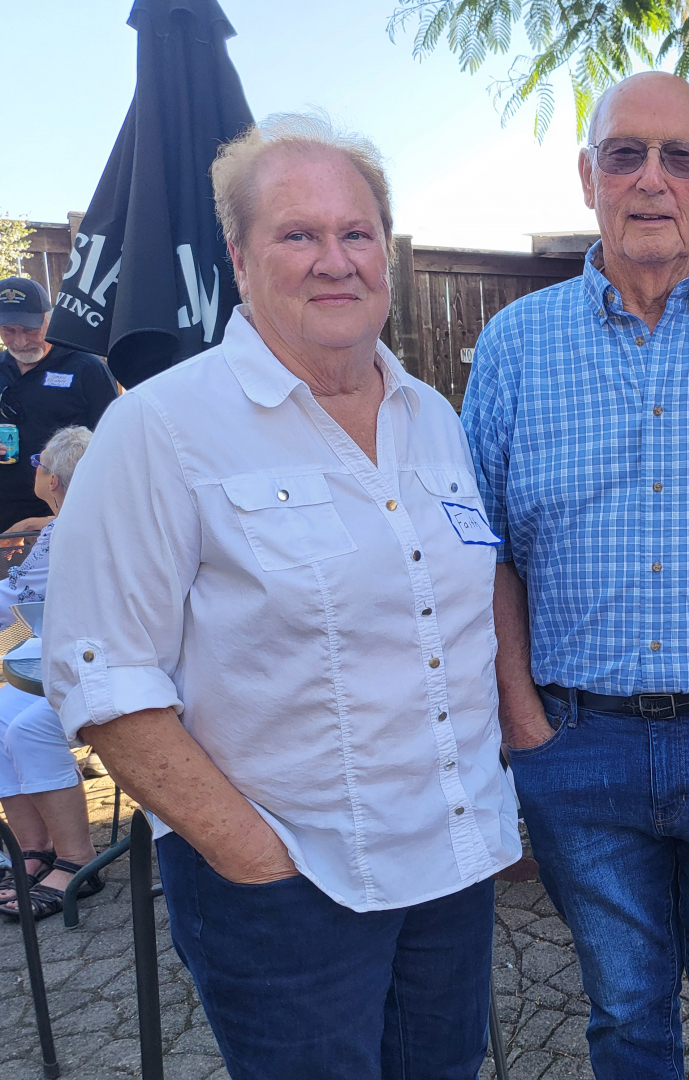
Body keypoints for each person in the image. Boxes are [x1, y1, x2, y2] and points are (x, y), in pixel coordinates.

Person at [42, 113, 520, 1080]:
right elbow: (100, 677)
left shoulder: (432, 417)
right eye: (298, 235)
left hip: (448, 864)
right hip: (287, 887)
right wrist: (256, 857)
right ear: (240, 256)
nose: (334, 260)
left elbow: (462, 603)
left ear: (386, 251)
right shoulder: (161, 429)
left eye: (356, 233)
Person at [462, 71, 689, 1078]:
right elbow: (482, 545)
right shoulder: (510, 349)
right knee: (624, 1011)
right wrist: (517, 717)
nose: (650, 179)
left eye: (679, 157)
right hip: (573, 743)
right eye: (623, 153)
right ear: (586, 176)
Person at [0, 425, 103, 920]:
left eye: (39, 462)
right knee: (1, 716)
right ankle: (33, 847)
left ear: (55, 481)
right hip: (64, 655)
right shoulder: (60, 525)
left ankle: (78, 860)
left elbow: (15, 604)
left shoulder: (75, 529)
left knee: (28, 728)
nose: (34, 468)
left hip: (99, 663)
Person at [0, 277, 117, 532]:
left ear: (49, 319)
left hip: (65, 515)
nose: (20, 342)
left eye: (30, 330)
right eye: (9, 330)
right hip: (5, 513)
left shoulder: (86, 368)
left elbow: (114, 446)